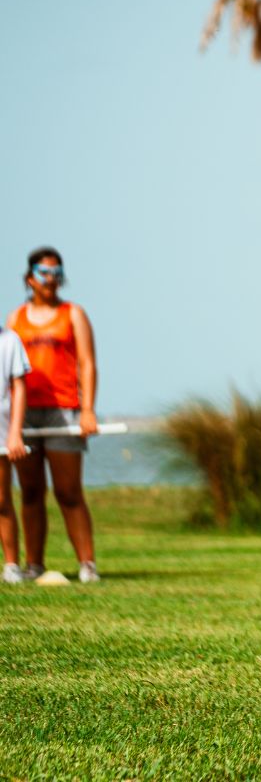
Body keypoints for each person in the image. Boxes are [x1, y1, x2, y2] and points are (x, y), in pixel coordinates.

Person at [7, 247, 101, 583]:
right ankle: (34, 564)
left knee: (68, 490)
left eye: (57, 272)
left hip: (64, 412)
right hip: (25, 415)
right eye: (45, 272)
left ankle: (87, 564)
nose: (52, 279)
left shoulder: (73, 314)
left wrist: (87, 409)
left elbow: (87, 362)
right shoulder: (15, 319)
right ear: (30, 277)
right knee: (30, 492)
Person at [0, 321, 29, 584]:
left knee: (1, 499)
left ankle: (11, 565)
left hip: (2, 429)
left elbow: (19, 387)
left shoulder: (9, 340)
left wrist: (15, 432)